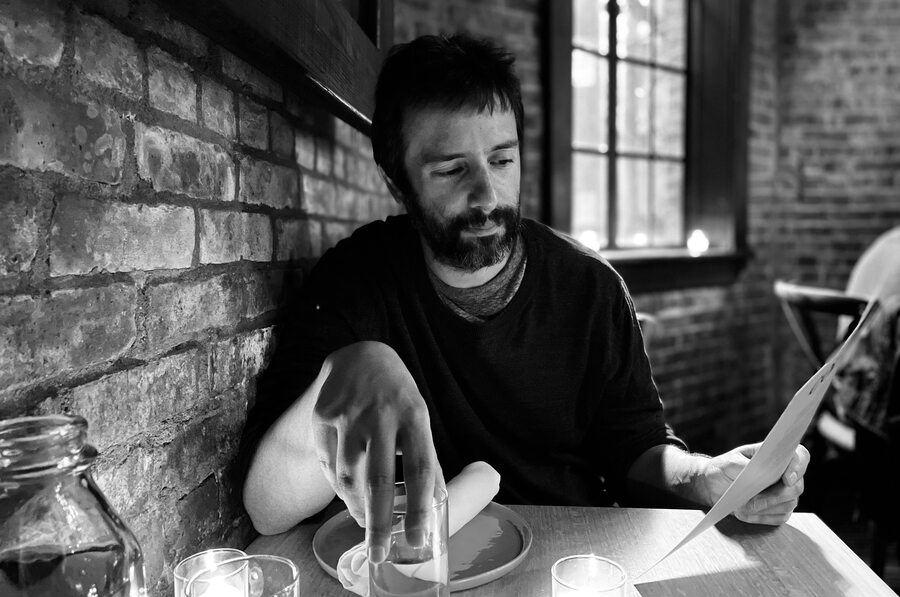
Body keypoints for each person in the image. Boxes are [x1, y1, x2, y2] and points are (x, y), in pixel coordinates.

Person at [239, 33, 809, 564]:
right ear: (396, 182)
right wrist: (342, 372)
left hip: (570, 562)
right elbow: (266, 509)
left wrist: (708, 478)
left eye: (502, 160)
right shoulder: (354, 281)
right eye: (451, 169)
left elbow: (636, 451)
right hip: (422, 575)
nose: (487, 195)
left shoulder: (590, 287)